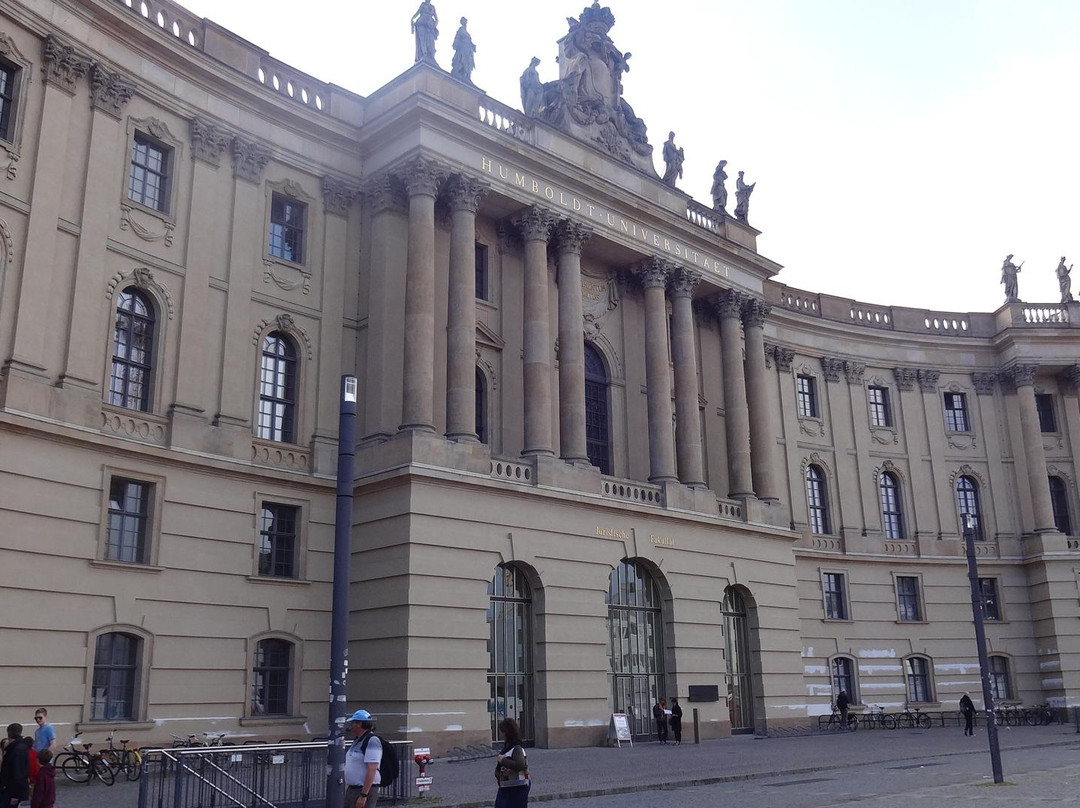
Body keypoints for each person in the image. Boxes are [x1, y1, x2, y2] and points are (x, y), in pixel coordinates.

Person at [344, 709, 382, 808]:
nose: (351, 726)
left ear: (359, 724)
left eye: (352, 723)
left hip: (363, 790)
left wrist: (363, 795)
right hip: (353, 789)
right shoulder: (358, 740)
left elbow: (372, 769)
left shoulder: (372, 741)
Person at [494, 717, 529, 808]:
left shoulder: (516, 746)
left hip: (516, 786)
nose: (500, 733)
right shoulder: (508, 744)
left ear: (506, 732)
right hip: (507, 785)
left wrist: (502, 760)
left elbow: (520, 764)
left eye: (501, 730)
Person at [0, 724, 31, 808]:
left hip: (12, 790)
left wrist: (16, 795)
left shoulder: (17, 749)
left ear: (9, 733)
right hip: (11, 788)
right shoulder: (20, 746)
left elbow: (18, 773)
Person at [450, 17, 475, 83]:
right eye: (463, 21)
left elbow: (469, 40)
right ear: (462, 22)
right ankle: (460, 72)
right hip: (462, 47)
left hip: (468, 49)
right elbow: (457, 37)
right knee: (461, 59)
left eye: (465, 21)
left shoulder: (466, 32)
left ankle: (466, 75)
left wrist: (472, 45)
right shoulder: (460, 29)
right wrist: (455, 44)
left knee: (468, 61)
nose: (464, 22)